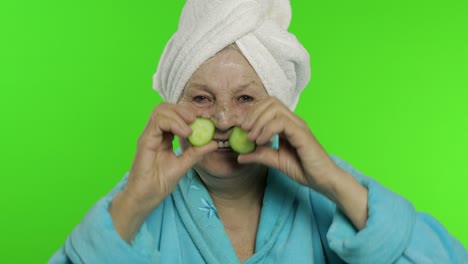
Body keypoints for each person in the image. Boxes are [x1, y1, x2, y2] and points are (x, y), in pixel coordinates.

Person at [49, 0, 467, 263]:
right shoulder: (134, 202)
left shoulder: (324, 193)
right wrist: (135, 203)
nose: (225, 119)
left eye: (246, 99)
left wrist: (337, 184)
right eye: (201, 99)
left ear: (280, 110)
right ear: (175, 109)